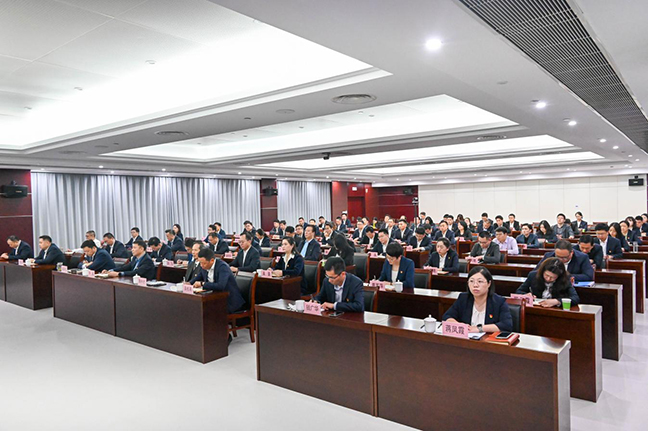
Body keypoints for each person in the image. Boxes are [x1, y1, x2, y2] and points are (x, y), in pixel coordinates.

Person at [442, 266, 512, 333]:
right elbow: (447, 316)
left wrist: (479, 328)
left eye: (480, 281)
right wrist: (460, 326)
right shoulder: (463, 298)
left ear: (489, 283)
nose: (475, 285)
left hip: (487, 340)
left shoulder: (499, 302)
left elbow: (506, 325)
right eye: (471, 281)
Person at [191, 248, 245, 314]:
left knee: (206, 311)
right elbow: (198, 277)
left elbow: (220, 286)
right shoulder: (204, 267)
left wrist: (202, 284)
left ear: (212, 260)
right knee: (197, 307)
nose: (201, 266)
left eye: (204, 263)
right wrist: (188, 283)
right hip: (215, 298)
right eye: (200, 263)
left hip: (229, 301)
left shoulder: (222, 267)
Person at [516, 258, 580, 307]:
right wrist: (526, 295)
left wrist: (557, 301)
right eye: (546, 275)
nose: (548, 279)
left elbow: (575, 298)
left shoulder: (565, 278)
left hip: (556, 310)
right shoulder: (533, 275)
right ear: (542, 271)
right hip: (537, 307)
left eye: (553, 277)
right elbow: (519, 291)